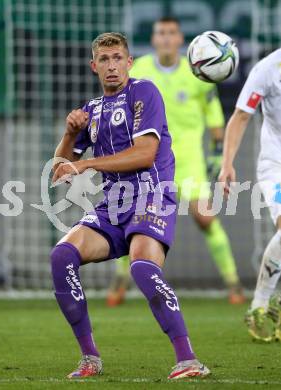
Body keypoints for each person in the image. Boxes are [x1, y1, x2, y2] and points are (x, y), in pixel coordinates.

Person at [51, 32, 210, 379]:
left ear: (129, 62)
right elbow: (60, 171)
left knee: (142, 267)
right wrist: (69, 134)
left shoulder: (144, 92)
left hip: (152, 194)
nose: (112, 66)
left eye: (118, 58)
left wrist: (89, 164)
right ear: (94, 66)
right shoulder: (91, 110)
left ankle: (188, 359)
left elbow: (145, 154)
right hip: (113, 204)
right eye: (104, 60)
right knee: (62, 256)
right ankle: (89, 358)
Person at [107, 17, 244, 307]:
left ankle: (233, 283)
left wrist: (217, 156)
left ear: (181, 39)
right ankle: (119, 284)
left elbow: (215, 120)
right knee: (133, 220)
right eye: (161, 33)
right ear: (154, 39)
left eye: (171, 33)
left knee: (206, 218)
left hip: (189, 161)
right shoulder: (139, 69)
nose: (166, 38)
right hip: (149, 160)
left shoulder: (198, 73)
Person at [219, 48, 281, 342]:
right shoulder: (267, 69)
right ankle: (259, 306)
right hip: (277, 165)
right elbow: (241, 115)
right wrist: (227, 163)